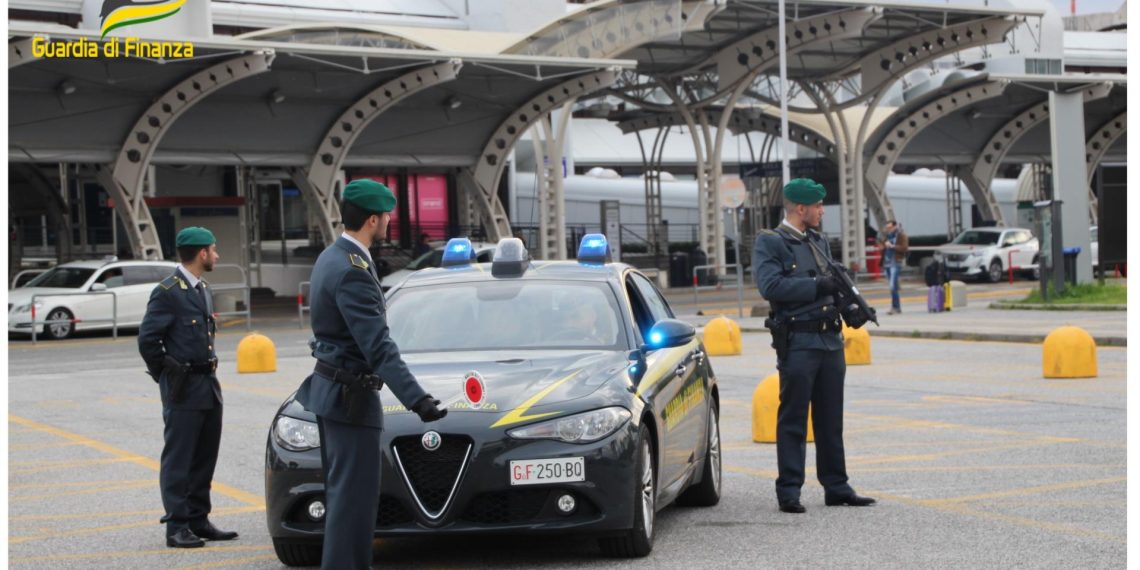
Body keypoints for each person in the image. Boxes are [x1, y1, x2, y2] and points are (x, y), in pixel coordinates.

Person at [296, 178, 447, 570]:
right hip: (351, 399)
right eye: (386, 218)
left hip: (335, 392)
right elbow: (377, 346)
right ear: (373, 219)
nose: (388, 223)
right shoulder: (353, 270)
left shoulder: (332, 257)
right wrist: (418, 400)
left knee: (345, 497)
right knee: (354, 503)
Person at [752, 178, 876, 514]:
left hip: (829, 340)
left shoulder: (817, 241)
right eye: (818, 206)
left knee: (830, 418)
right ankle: (789, 490)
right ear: (801, 208)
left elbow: (831, 288)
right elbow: (771, 286)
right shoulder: (772, 242)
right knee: (793, 417)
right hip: (799, 341)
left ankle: (837, 486)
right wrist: (817, 284)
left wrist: (849, 307)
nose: (823, 211)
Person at [138, 226, 238, 548]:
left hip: (208, 384)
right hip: (183, 388)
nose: (217, 255)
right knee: (179, 459)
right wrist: (166, 375)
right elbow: (148, 341)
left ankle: (198, 519)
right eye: (214, 249)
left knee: (204, 456)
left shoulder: (201, 288)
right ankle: (177, 526)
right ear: (202, 254)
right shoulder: (168, 291)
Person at [877, 220, 908, 315]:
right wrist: (883, 246)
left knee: (892, 286)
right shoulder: (887, 236)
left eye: (890, 227)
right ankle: (896, 307)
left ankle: (896, 307)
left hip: (895, 263)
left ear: (895, 226)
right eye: (887, 228)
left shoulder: (901, 235)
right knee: (892, 286)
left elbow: (904, 247)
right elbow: (880, 246)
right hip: (887, 263)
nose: (888, 229)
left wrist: (893, 246)